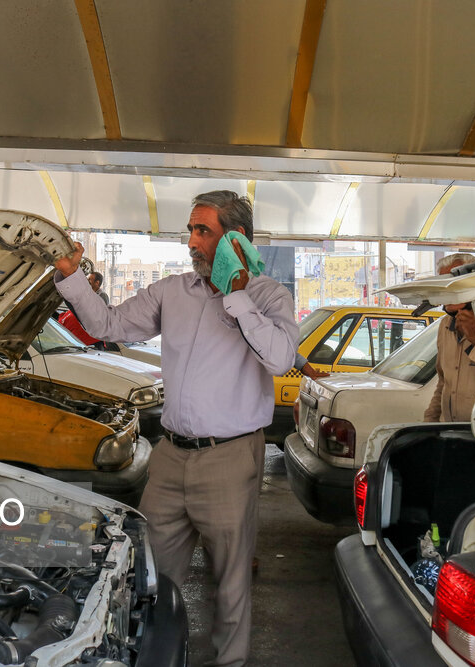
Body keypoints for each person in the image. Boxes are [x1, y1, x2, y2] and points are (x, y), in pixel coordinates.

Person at [53, 190, 298, 667]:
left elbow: (280, 358)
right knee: (147, 575)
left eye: (202, 231)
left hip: (230, 460)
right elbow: (109, 325)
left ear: (236, 238)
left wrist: (238, 296)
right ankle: (147, 655)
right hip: (169, 458)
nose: (191, 241)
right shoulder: (172, 291)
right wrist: (72, 275)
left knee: (230, 582)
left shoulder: (269, 297)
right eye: (190, 230)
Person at [424, 253, 475, 422]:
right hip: (452, 431)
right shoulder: (446, 325)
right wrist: (429, 424)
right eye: (444, 286)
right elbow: (443, 382)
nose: (448, 293)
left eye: (454, 285)